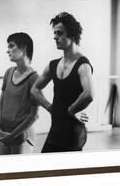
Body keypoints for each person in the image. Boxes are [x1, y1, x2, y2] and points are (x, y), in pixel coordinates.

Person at [31, 12, 94, 153]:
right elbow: (35, 89)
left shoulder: (83, 64)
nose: (55, 37)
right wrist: (49, 107)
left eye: (59, 33)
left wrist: (71, 110)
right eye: (54, 33)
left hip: (74, 133)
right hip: (55, 130)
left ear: (71, 34)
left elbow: (89, 94)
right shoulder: (53, 65)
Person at [0, 32, 39, 155]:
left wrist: (12, 136)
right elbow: (1, 103)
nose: (8, 50)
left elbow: (34, 115)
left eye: (11, 46)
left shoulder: (34, 78)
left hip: (22, 138)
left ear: (23, 48)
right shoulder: (8, 72)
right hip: (4, 135)